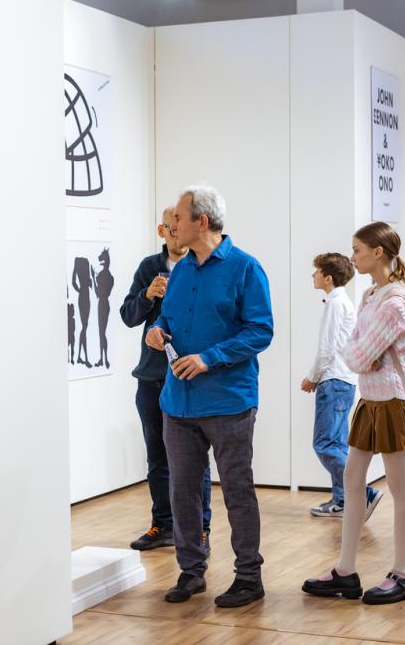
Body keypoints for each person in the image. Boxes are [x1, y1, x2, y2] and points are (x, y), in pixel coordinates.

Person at [145, 185, 273, 608]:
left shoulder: (245, 268)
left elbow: (261, 331)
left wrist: (208, 358)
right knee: (183, 491)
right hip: (178, 403)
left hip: (228, 402)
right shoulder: (180, 271)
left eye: (178, 218)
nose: (171, 225)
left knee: (237, 490)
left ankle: (249, 577)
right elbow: (168, 317)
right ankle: (191, 570)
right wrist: (157, 331)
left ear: (201, 222)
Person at [302, 222, 405, 606]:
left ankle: (402, 574)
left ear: (378, 252)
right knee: (353, 479)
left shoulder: (396, 302)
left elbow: (356, 356)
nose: (352, 257)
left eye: (357, 250)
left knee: (399, 485)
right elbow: (356, 351)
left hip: (391, 400)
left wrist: (363, 354)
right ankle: (345, 571)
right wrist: (363, 353)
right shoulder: (372, 295)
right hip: (371, 399)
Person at [120, 207, 212, 551]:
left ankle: (200, 529)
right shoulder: (149, 267)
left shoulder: (203, 266)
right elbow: (128, 315)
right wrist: (147, 295)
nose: (177, 232)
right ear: (162, 230)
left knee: (194, 459)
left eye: (181, 225)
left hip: (188, 376)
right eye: (171, 228)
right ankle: (164, 525)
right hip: (152, 377)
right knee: (157, 456)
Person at [301, 252, 383, 519]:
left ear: (328, 278)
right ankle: (343, 500)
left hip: (333, 381)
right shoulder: (341, 302)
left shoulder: (336, 304)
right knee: (336, 444)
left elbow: (326, 349)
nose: (313, 275)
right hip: (343, 381)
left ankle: (364, 493)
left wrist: (312, 377)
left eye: (316, 271)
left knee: (324, 444)